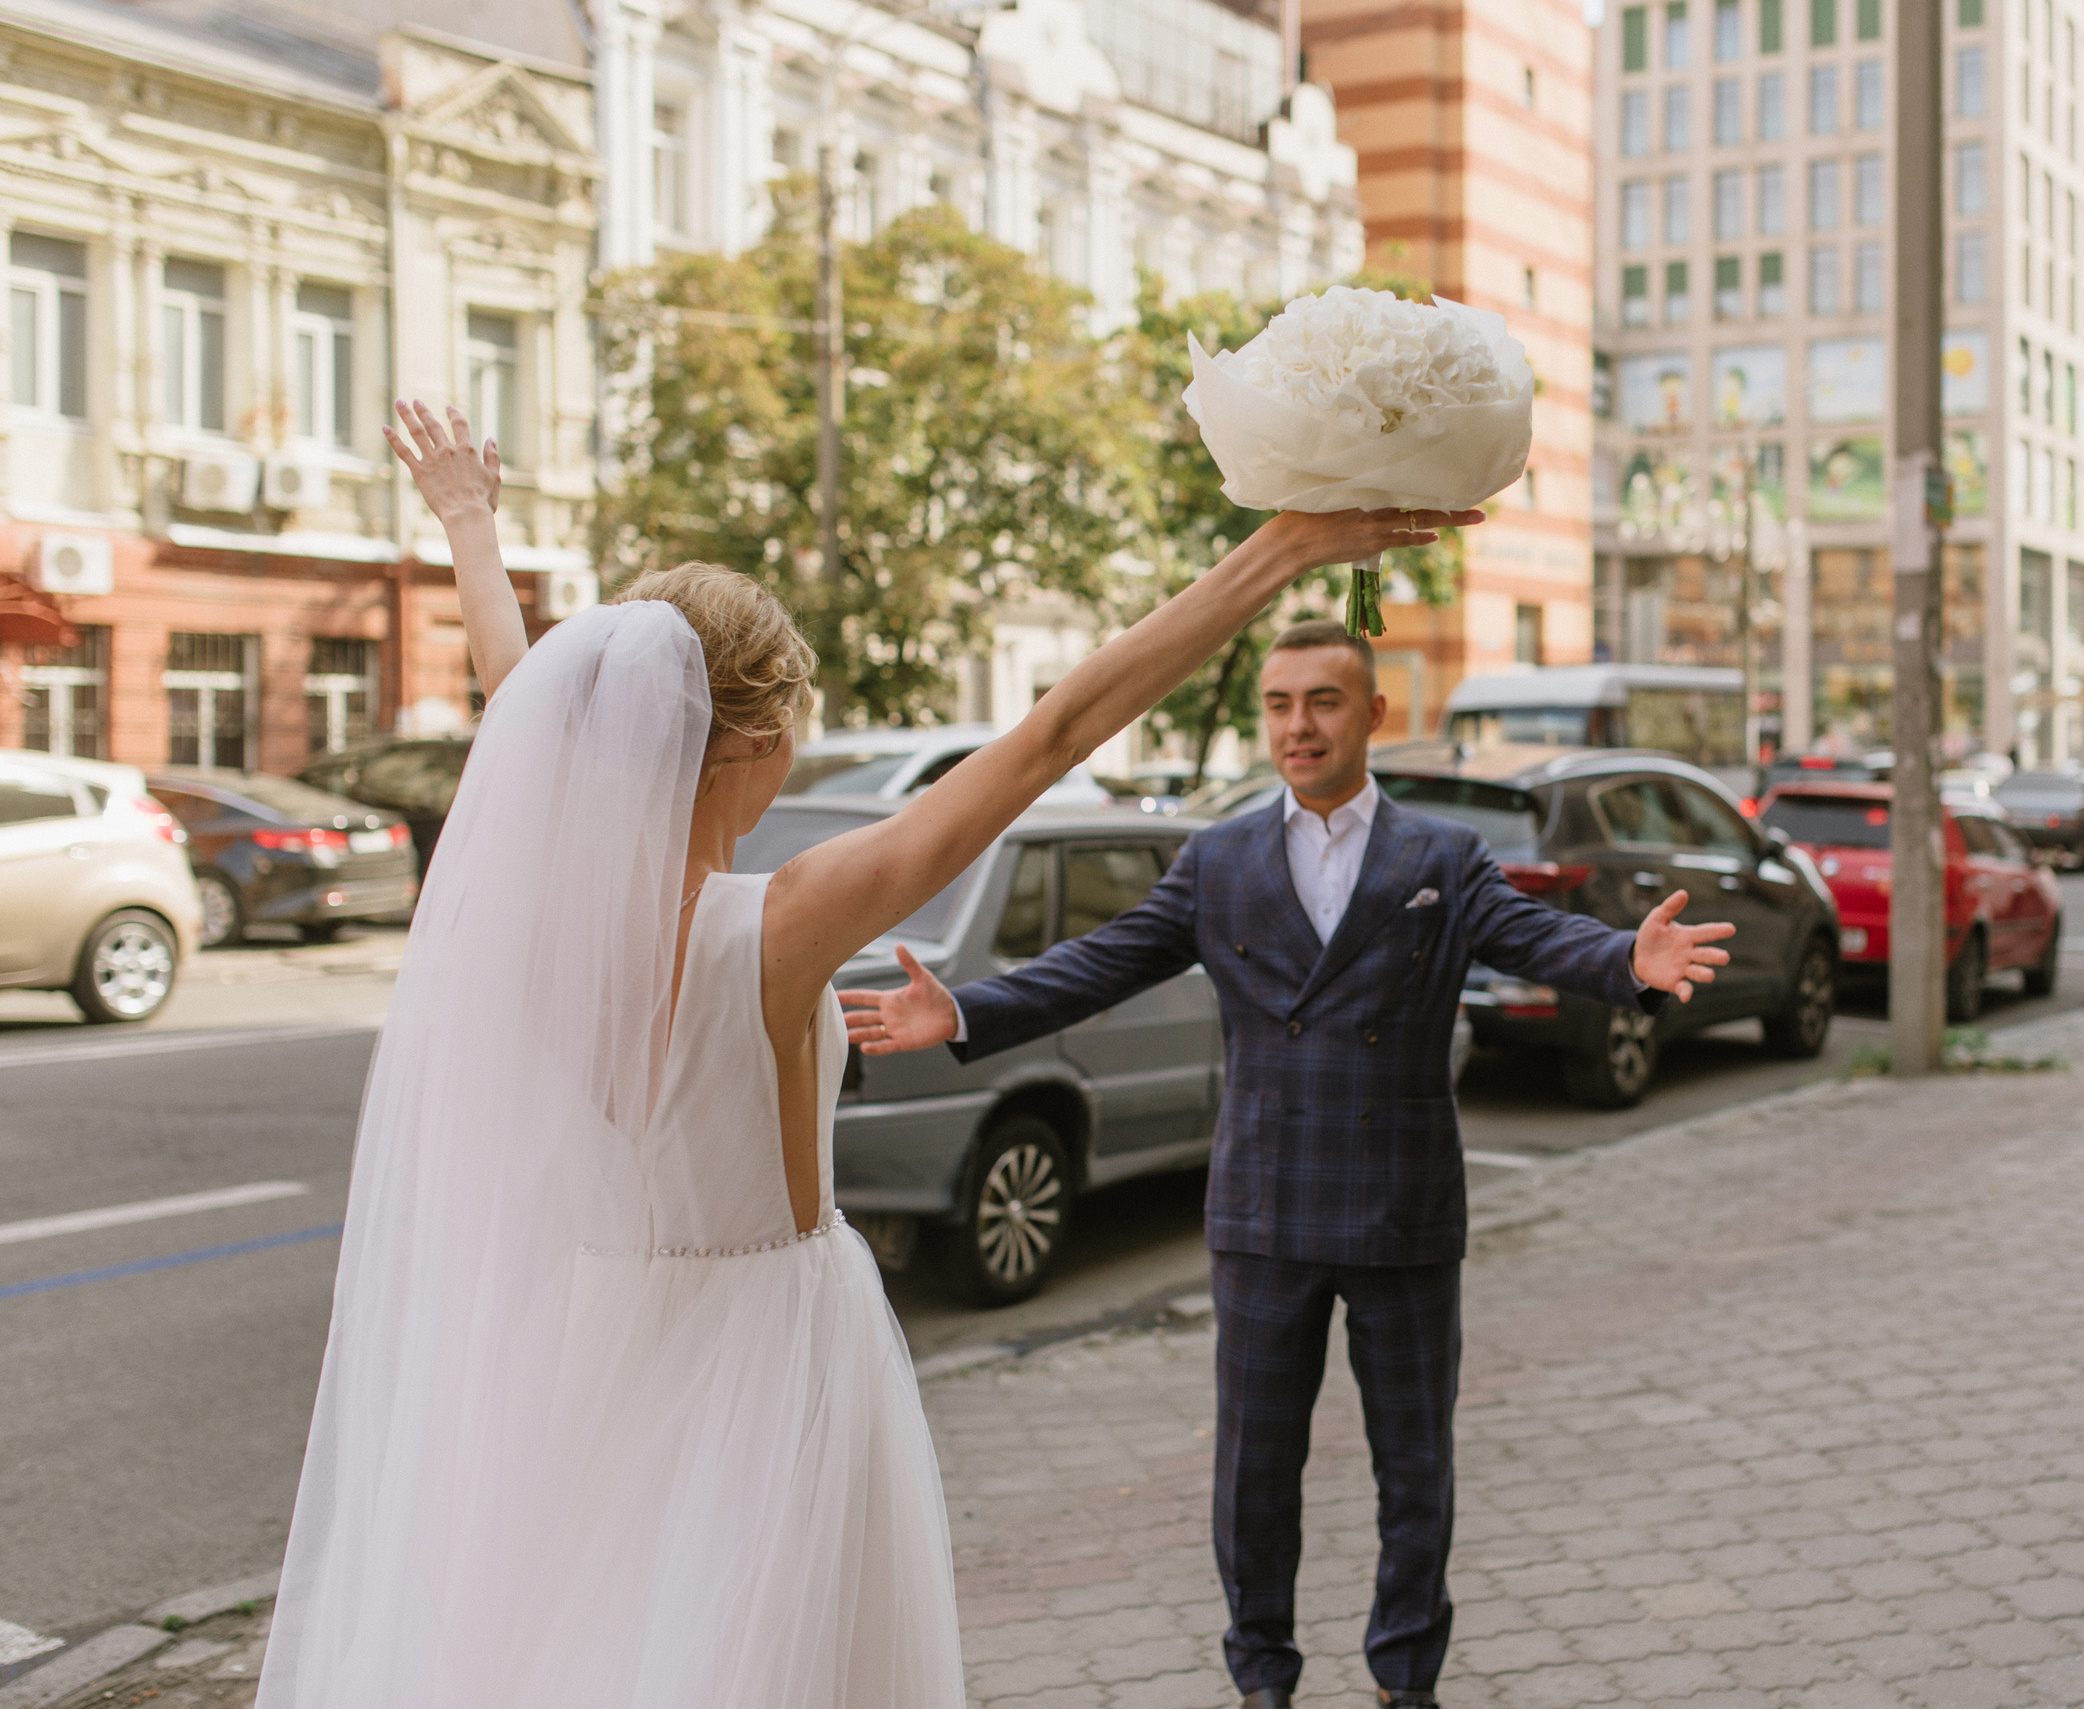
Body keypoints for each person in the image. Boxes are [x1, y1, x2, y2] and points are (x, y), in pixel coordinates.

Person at [255, 402, 1479, 1708]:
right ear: (752, 741)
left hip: (597, 1357)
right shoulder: (772, 927)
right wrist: (1274, 554)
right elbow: (1054, 737)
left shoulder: (550, 920)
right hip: (766, 1360)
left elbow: (528, 713)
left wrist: (468, 524)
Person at [847, 619, 1737, 1709]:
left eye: (1321, 700)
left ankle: (1405, 1680)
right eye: (1278, 703)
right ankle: (1260, 1676)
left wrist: (1624, 961)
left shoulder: (1440, 856)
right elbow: (1104, 959)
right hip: (1265, 1209)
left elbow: (1533, 937)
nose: (1296, 724)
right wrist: (965, 1008)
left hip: (1403, 1209)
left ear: (1372, 714)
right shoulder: (1218, 859)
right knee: (1253, 1474)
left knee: (1414, 1469)